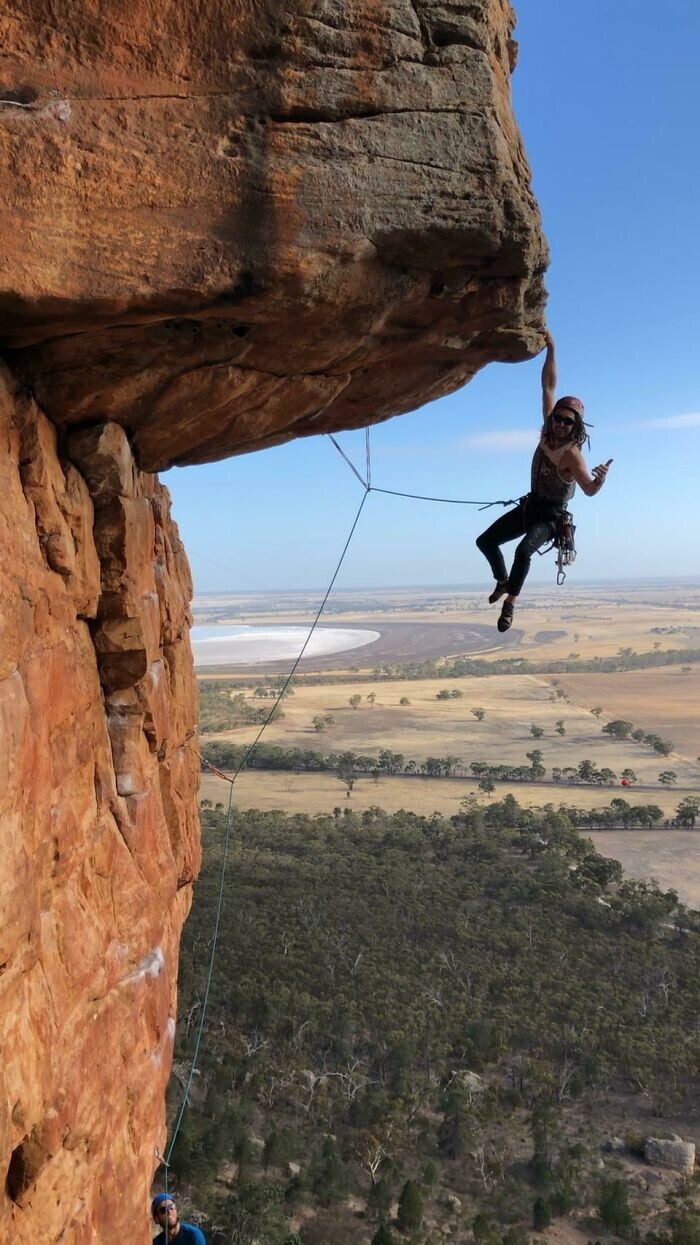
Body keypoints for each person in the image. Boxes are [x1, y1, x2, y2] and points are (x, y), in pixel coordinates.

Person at [476, 331, 612, 631]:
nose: (560, 423)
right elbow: (548, 385)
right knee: (485, 541)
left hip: (550, 516)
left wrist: (600, 480)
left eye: (567, 421)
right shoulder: (546, 433)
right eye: (558, 418)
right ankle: (502, 581)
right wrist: (552, 347)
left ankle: (510, 604)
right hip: (531, 505)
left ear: (576, 425)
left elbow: (588, 489)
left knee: (523, 551)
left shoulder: (573, 455)